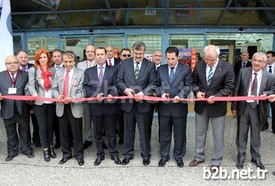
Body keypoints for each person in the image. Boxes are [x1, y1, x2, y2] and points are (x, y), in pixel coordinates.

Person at [189, 45, 235, 172]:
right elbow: (193, 83)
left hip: (217, 107)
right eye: (206, 59)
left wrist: (217, 96)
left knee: (218, 135)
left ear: (218, 56)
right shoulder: (199, 65)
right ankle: (199, 156)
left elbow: (229, 86)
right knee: (199, 133)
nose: (208, 62)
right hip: (201, 106)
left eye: (212, 60)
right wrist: (197, 92)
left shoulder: (227, 67)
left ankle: (217, 160)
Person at [232, 52, 275, 170]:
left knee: (256, 134)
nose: (256, 63)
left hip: (258, 108)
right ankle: (241, 156)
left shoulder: (270, 76)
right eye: (254, 60)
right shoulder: (243, 72)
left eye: (260, 61)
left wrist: (267, 93)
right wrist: (234, 107)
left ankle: (255, 157)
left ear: (265, 63)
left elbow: (273, 89)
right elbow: (236, 90)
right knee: (241, 133)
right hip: (243, 107)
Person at [117, 41, 158, 166]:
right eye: (136, 53)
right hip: (128, 104)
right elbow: (119, 80)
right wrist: (125, 89)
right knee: (128, 131)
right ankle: (128, 154)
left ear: (144, 52)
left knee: (145, 131)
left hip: (143, 105)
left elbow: (153, 83)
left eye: (141, 53)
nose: (138, 56)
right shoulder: (124, 64)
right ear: (132, 51)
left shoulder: (150, 65)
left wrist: (143, 93)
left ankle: (146, 155)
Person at [83, 47, 121, 166]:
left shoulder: (113, 69)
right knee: (97, 133)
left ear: (106, 55)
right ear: (94, 56)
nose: (100, 56)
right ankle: (99, 154)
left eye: (102, 54)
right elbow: (85, 87)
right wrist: (95, 95)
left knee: (111, 132)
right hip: (96, 107)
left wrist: (111, 94)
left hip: (110, 106)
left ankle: (113, 153)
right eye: (97, 54)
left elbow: (116, 85)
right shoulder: (88, 71)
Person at [157, 46, 193, 168]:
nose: (170, 61)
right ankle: (164, 156)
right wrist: (161, 93)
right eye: (168, 59)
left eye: (173, 58)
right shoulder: (160, 69)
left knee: (180, 134)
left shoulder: (186, 69)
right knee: (164, 134)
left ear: (178, 57)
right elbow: (155, 85)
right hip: (164, 108)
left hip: (179, 108)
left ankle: (178, 156)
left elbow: (188, 86)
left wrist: (180, 95)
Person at [52, 51, 85, 166]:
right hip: (61, 107)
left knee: (77, 133)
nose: (68, 64)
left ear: (74, 61)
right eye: (65, 61)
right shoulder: (58, 72)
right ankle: (66, 154)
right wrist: (58, 96)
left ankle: (79, 155)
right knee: (64, 133)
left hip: (74, 106)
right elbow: (54, 88)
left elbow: (82, 91)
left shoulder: (81, 73)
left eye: (70, 61)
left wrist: (72, 98)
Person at [0, 55, 34, 161]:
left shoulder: (26, 75)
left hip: (22, 108)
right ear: (6, 65)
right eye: (10, 63)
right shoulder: (0, 75)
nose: (13, 64)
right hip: (7, 108)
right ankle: (12, 151)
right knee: (10, 132)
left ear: (18, 63)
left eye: (15, 62)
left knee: (25, 130)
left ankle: (26, 149)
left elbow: (30, 89)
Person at [27, 48, 56, 162]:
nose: (43, 59)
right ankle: (45, 149)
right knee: (42, 127)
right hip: (39, 102)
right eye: (41, 57)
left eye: (45, 57)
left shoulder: (53, 70)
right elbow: (30, 85)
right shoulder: (33, 70)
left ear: (48, 58)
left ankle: (51, 147)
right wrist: (34, 94)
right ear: (37, 59)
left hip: (51, 102)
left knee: (50, 126)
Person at [17, 50, 40, 148]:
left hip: (35, 100)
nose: (23, 59)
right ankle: (25, 143)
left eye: (25, 57)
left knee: (37, 122)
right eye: (21, 57)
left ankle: (37, 140)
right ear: (17, 59)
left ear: (28, 58)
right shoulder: (14, 69)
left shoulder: (34, 68)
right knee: (23, 124)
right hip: (21, 103)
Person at [77, 45, 96, 150]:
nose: (89, 53)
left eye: (92, 51)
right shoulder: (80, 65)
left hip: (98, 96)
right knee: (87, 119)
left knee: (98, 120)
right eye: (88, 51)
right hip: (85, 97)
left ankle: (100, 139)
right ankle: (88, 139)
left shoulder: (100, 63)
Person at [116, 48, 132, 145]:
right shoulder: (115, 67)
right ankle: (122, 137)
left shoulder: (133, 67)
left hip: (131, 98)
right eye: (124, 55)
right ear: (120, 56)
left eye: (128, 55)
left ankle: (128, 138)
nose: (126, 57)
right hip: (119, 98)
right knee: (120, 119)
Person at [51, 49, 63, 149]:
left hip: (67, 99)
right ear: (52, 58)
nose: (57, 58)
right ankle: (58, 141)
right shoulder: (50, 69)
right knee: (56, 123)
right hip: (54, 100)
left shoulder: (68, 66)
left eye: (59, 56)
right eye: (55, 56)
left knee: (67, 122)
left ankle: (70, 140)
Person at [262, 51, 275, 132]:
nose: (266, 58)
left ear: (273, 58)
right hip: (264, 92)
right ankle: (264, 125)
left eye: (268, 57)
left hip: (274, 93)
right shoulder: (263, 67)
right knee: (263, 110)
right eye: (266, 57)